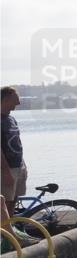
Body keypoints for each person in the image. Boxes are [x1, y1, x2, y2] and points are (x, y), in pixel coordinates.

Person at [1, 87, 27, 218]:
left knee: (14, 201)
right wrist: (6, 172)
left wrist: (22, 164)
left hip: (18, 165)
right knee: (6, 202)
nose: (19, 102)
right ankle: (6, 235)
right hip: (6, 169)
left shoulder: (11, 119)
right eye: (16, 99)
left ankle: (11, 229)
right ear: (6, 99)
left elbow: (17, 142)